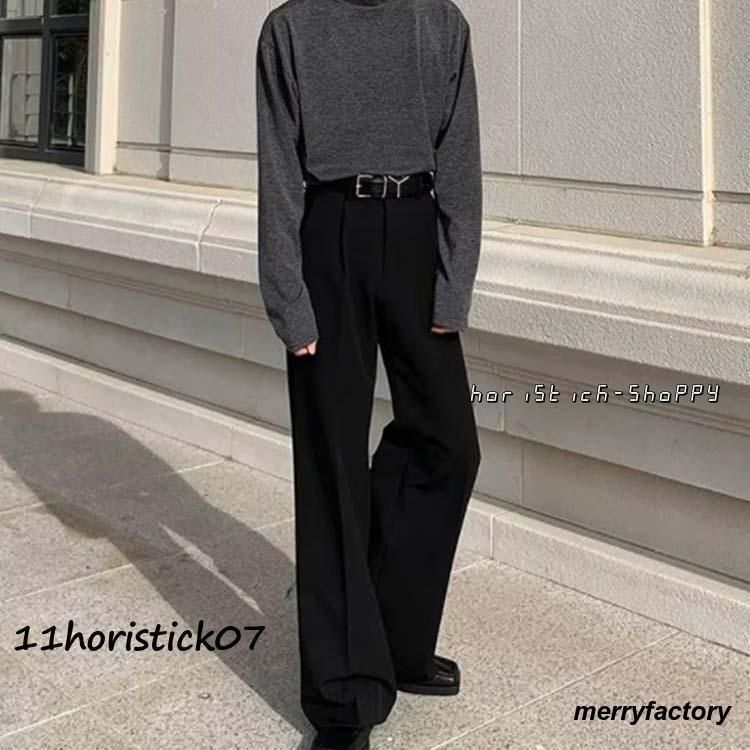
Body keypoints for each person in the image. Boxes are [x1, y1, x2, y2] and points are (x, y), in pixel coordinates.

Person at [256, 0, 482, 747]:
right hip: (330, 236)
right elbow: (278, 172)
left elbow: (459, 156)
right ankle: (343, 697)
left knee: (448, 443)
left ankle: (395, 640)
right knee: (333, 464)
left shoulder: (440, 23)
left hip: (415, 231)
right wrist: (288, 298)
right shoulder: (290, 28)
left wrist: (453, 281)